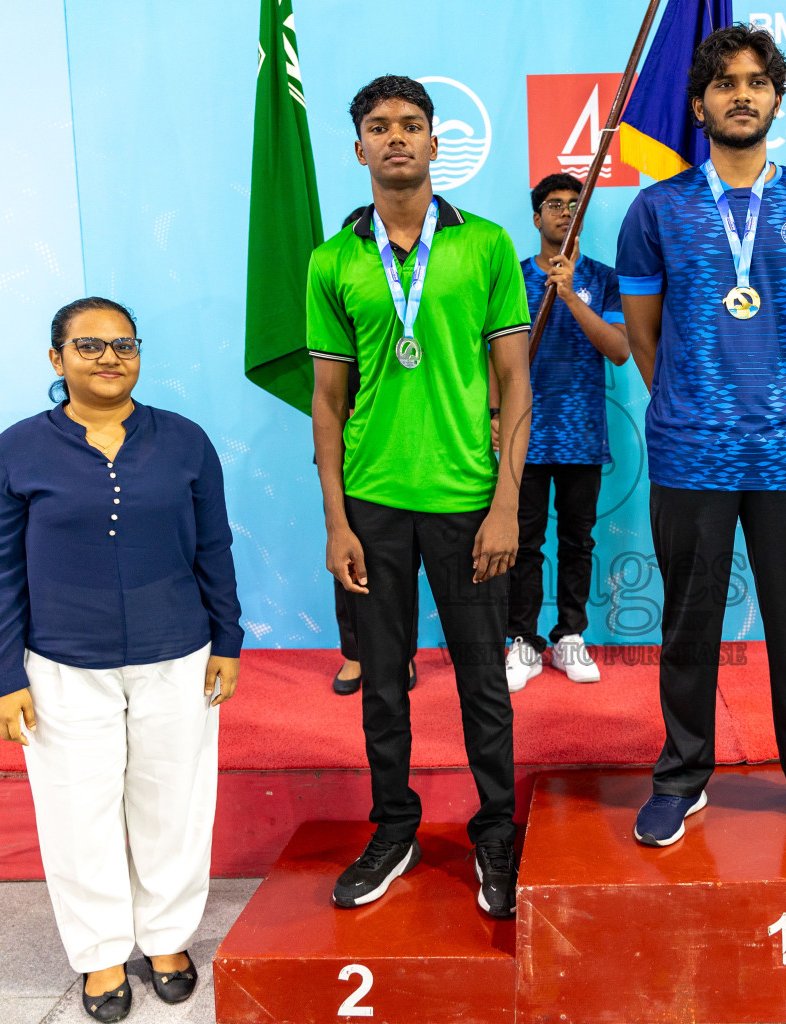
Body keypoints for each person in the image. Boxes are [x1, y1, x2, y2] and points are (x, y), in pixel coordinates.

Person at [617, 24, 786, 847]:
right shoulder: (656, 208)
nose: (740, 93)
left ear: (776, 97)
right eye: (724, 82)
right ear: (699, 104)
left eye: (756, 81)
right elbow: (644, 338)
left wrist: (781, 399)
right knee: (688, 623)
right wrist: (696, 406)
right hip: (690, 450)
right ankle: (682, 775)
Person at [0, 297, 242, 1022]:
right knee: (76, 811)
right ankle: (99, 954)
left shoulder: (184, 441)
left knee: (174, 804)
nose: (108, 358)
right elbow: (0, 570)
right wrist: (6, 677)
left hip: (178, 654)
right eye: (89, 346)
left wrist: (228, 639)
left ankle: (166, 940)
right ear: (56, 358)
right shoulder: (16, 451)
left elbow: (213, 547)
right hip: (61, 664)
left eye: (123, 344)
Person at [308, 76, 531, 918]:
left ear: (438, 144)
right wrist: (336, 519)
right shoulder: (334, 260)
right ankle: (395, 826)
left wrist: (506, 502)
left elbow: (516, 382)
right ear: (358, 148)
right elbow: (328, 402)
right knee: (383, 684)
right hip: (371, 501)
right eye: (378, 127)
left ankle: (497, 828)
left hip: (469, 499)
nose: (395, 137)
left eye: (411, 125)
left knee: (483, 680)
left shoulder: (484, 247)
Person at [504, 173, 629, 692]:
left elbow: (620, 349)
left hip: (581, 434)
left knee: (577, 541)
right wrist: (495, 416)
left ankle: (570, 636)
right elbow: (493, 356)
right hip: (523, 434)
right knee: (523, 543)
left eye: (574, 204)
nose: (563, 212)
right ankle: (523, 642)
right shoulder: (508, 278)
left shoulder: (603, 279)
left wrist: (571, 295)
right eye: (553, 204)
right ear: (536, 217)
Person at [331, 207, 419, 697]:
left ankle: (400, 652)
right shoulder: (336, 288)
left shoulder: (412, 298)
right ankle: (354, 654)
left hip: (412, 449)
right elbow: (327, 392)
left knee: (397, 571)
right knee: (351, 559)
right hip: (352, 448)